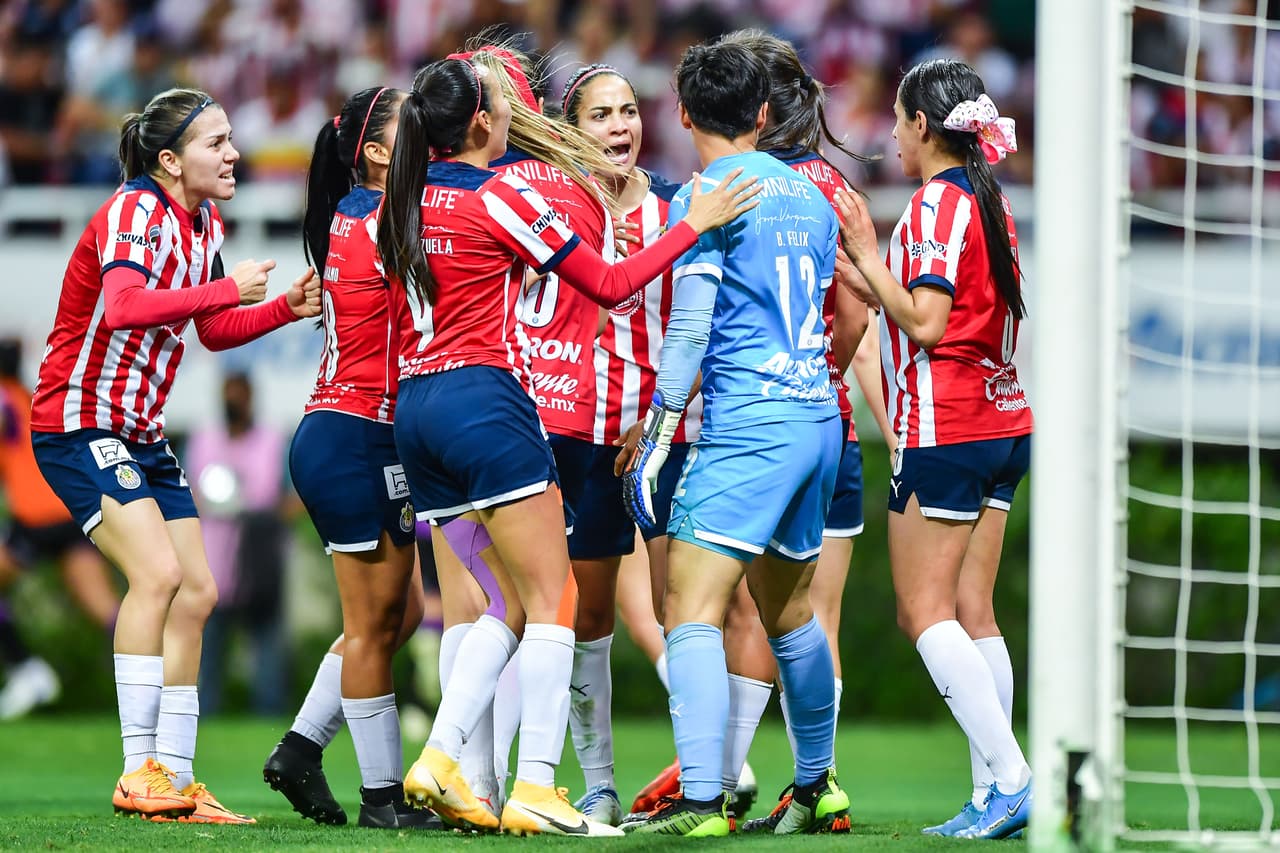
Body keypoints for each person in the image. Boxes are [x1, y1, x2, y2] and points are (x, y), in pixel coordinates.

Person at [375, 54, 758, 836]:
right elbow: (609, 285)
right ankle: (536, 789)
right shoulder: (503, 195)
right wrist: (694, 224)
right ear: (483, 121)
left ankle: (443, 758)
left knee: (505, 602)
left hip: (416, 410)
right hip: (488, 407)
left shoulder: (402, 197)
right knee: (557, 602)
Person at [28, 87, 320, 823]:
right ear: (168, 160)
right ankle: (138, 771)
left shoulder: (202, 220)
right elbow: (124, 306)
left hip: (141, 430)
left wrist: (282, 308)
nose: (234, 153)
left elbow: (213, 331)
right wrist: (223, 287)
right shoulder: (134, 211)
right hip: (80, 420)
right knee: (157, 575)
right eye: (215, 142)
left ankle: (179, 781)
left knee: (197, 592)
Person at [620, 39, 849, 837]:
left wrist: (657, 433)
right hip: (816, 417)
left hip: (750, 424)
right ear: (763, 111)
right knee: (790, 613)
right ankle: (818, 785)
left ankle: (699, 801)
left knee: (688, 604)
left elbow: (689, 332)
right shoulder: (813, 196)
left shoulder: (706, 195)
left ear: (683, 113)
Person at [833, 58, 1033, 840]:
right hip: (1002, 420)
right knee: (974, 611)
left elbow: (925, 321)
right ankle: (991, 793)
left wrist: (866, 255)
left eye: (897, 118)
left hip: (947, 426)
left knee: (923, 612)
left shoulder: (935, 203)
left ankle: (1011, 777)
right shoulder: (990, 198)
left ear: (922, 125)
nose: (891, 133)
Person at [261, 85, 436, 831]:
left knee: (402, 612)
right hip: (356, 434)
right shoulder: (387, 221)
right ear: (374, 152)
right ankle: (382, 800)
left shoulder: (354, 213)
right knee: (372, 625)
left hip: (353, 430)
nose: (427, 138)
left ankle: (302, 747)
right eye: (412, 128)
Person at [0, 338, 119, 719]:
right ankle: (158, 683)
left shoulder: (5, 396)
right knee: (106, 610)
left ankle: (26, 669)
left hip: (36, 518)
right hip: (69, 510)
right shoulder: (26, 396)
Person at [187, 372, 292, 716]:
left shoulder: (273, 441)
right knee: (208, 646)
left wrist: (264, 515)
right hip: (212, 560)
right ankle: (203, 714)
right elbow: (183, 493)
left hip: (259, 560)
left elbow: (293, 498)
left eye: (239, 395)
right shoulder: (203, 439)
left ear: (250, 398)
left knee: (267, 644)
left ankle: (269, 716)